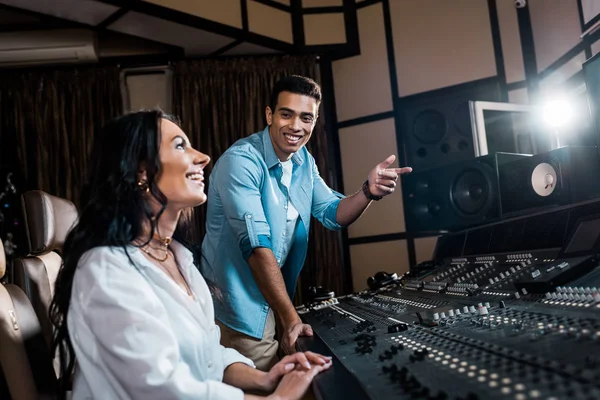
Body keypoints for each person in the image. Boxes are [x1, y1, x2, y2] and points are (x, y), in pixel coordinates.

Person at [49, 110, 332, 400]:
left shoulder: (179, 257)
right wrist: (279, 399)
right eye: (180, 145)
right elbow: (161, 388)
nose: (204, 157)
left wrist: (266, 379)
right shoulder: (105, 269)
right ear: (142, 172)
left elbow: (209, 355)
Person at [200, 75, 412, 370]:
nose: (296, 126)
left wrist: (368, 192)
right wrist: (290, 318)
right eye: (286, 114)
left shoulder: (303, 161)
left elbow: (332, 213)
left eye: (306, 118)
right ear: (269, 115)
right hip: (237, 308)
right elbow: (257, 246)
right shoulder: (241, 161)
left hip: (274, 301)